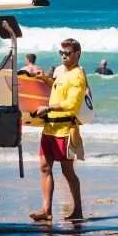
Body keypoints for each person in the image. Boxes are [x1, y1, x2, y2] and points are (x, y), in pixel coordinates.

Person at [29, 38, 87, 222]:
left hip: (64, 130)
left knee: (67, 171)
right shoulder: (62, 73)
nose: (64, 56)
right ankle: (46, 211)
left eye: (67, 53)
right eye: (61, 53)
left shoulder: (77, 75)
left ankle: (77, 210)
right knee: (44, 167)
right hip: (49, 129)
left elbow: (73, 104)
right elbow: (57, 89)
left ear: (77, 54)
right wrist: (45, 79)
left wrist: (47, 108)